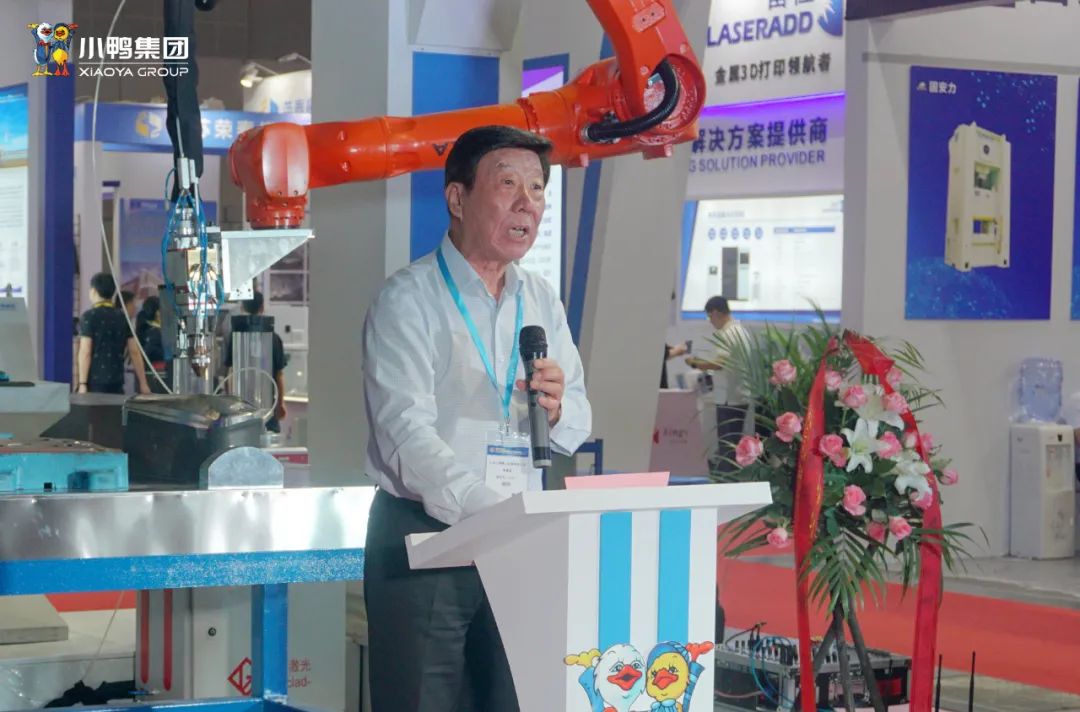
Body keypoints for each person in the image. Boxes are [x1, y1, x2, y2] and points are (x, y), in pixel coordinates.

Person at [362, 125, 592, 712]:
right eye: (508, 184)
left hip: (517, 539)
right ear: (458, 198)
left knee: (517, 699)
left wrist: (557, 408)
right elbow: (404, 432)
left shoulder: (541, 300)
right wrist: (487, 509)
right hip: (426, 537)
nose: (527, 203)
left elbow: (578, 421)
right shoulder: (408, 299)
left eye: (537, 189)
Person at [685, 295, 752, 472]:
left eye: (710, 317)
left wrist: (695, 363)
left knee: (727, 446)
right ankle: (732, 476)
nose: (710, 321)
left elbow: (719, 364)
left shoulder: (727, 334)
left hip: (728, 398)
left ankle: (726, 479)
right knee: (734, 444)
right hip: (740, 396)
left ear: (716, 312)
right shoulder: (741, 331)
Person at [223, 291, 287, 432]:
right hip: (267, 408)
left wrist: (229, 404)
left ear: (242, 307)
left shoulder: (236, 338)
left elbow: (230, 373)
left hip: (241, 409)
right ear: (262, 307)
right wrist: (280, 404)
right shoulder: (274, 338)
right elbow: (279, 375)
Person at [77, 273, 150, 395]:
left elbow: (85, 352)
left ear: (94, 291)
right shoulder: (122, 317)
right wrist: (143, 383)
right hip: (117, 380)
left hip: (95, 382)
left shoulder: (89, 317)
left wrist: (82, 384)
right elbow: (134, 352)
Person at [135, 296, 167, 392]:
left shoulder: (145, 329)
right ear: (157, 313)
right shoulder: (154, 332)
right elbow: (150, 352)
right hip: (157, 375)